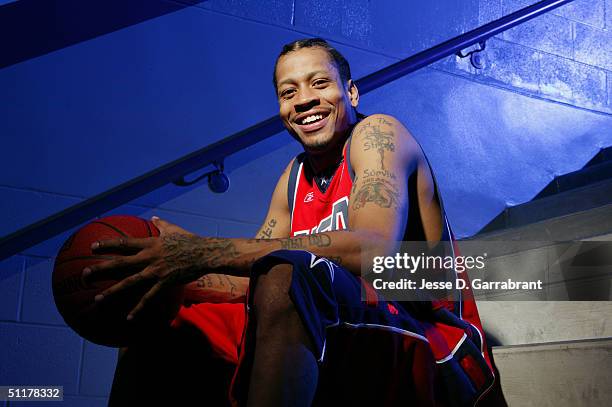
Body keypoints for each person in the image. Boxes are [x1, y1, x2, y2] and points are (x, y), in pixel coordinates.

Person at [87, 38, 495, 406]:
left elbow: (375, 248)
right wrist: (170, 273)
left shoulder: (378, 135)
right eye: (289, 92)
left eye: (319, 83)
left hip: (434, 341)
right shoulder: (294, 176)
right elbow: (252, 282)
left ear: (350, 92)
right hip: (346, 328)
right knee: (167, 312)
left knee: (287, 274)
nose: (303, 100)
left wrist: (204, 252)